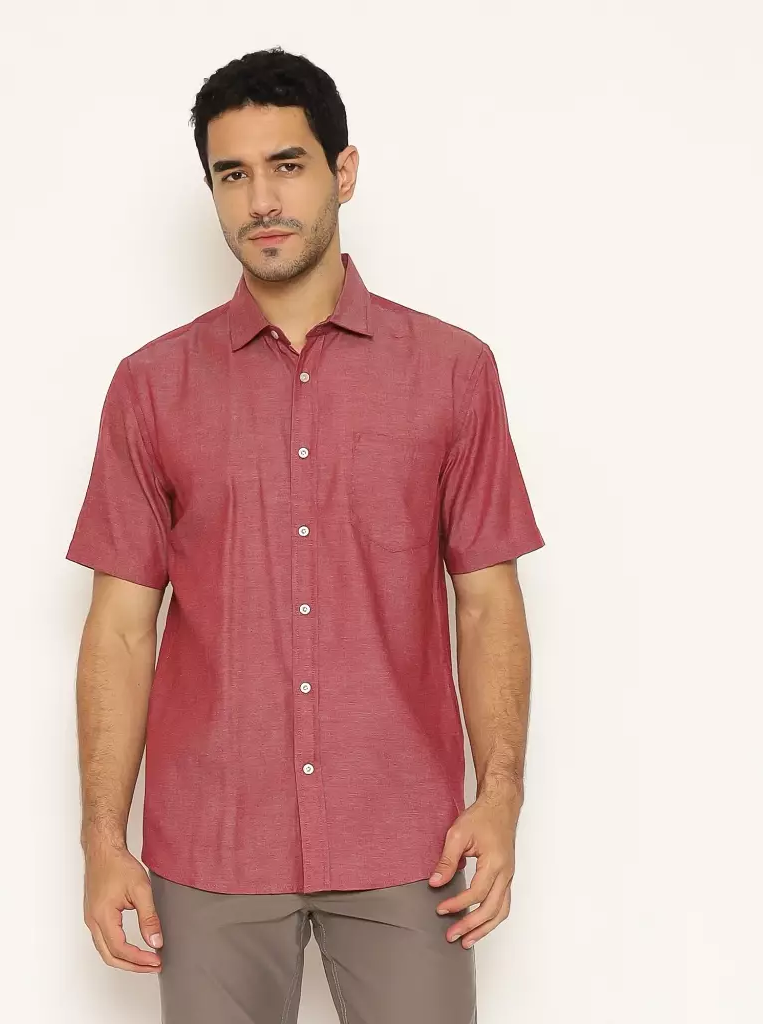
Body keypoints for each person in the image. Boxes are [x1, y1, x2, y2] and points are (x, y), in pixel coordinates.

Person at [65, 46, 545, 1024]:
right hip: (212, 845)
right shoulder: (151, 387)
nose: (261, 201)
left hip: (407, 840)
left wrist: (500, 798)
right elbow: (118, 626)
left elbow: (487, 601)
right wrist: (102, 839)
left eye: (286, 165)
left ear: (343, 171)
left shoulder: (452, 371)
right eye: (232, 175)